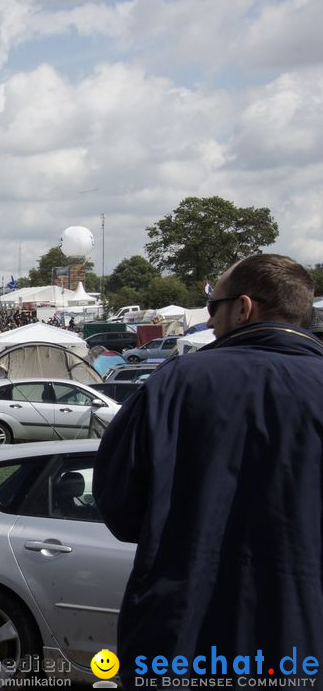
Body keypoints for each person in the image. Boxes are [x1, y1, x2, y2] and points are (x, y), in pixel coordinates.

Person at [94, 254, 323, 683]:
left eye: (213, 306)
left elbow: (119, 506)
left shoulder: (174, 383)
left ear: (244, 308)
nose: (210, 319)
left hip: (184, 641)